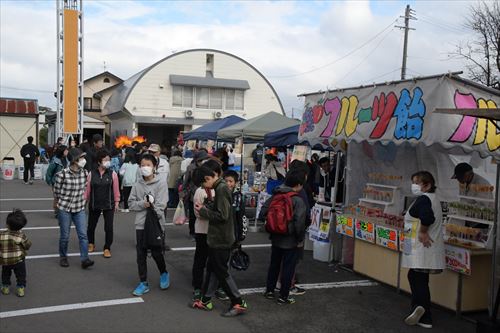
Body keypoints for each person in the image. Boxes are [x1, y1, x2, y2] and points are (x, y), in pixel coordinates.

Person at [191, 163, 248, 317]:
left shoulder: (221, 189)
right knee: (213, 269)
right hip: (218, 237)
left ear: (207, 178)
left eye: (204, 184)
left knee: (221, 271)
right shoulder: (220, 187)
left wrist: (203, 210)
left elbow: (222, 215)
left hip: (221, 238)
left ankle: (238, 302)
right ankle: (206, 300)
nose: (205, 187)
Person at [402, 171, 445, 329]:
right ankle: (421, 312)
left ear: (427, 185)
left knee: (416, 277)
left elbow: (427, 217)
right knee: (419, 278)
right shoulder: (432, 198)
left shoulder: (424, 199)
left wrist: (423, 231)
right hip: (423, 247)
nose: (414, 186)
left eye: (417, 183)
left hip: (420, 247)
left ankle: (422, 311)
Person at [259, 170, 307, 305]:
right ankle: (283, 296)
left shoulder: (275, 195)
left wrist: (272, 225)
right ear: (298, 185)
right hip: (290, 239)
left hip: (275, 237)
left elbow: (263, 212)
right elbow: (299, 222)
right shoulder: (298, 200)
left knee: (274, 264)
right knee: (288, 268)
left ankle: (269, 291)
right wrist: (299, 239)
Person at [128, 154, 170, 296]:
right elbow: (131, 203)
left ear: (155, 167)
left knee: (157, 252)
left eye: (148, 165)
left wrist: (151, 209)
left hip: (156, 224)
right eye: (142, 165)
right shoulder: (137, 184)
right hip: (140, 224)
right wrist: (143, 204)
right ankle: (143, 282)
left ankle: (164, 272)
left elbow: (162, 204)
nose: (145, 168)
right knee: (141, 254)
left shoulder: (161, 183)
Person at [53, 148, 94, 269]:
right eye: (81, 158)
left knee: (83, 235)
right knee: (65, 236)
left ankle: (85, 259)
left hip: (79, 208)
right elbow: (57, 192)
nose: (83, 160)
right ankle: (63, 256)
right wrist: (58, 205)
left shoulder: (85, 173)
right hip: (64, 208)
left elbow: (85, 189)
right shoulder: (62, 174)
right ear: (75, 160)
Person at [85, 149, 120, 259]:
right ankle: (91, 243)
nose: (108, 162)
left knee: (108, 227)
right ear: (99, 161)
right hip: (94, 204)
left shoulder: (113, 174)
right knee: (91, 226)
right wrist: (84, 201)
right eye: (105, 160)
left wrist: (117, 202)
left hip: (109, 204)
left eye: (109, 160)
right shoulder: (91, 173)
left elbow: (116, 190)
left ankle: (107, 248)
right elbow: (87, 190)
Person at [191, 168, 216, 301]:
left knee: (214, 261)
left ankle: (213, 286)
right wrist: (212, 214)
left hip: (215, 232)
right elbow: (197, 213)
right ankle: (197, 286)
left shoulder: (220, 190)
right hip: (202, 230)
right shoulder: (200, 191)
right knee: (200, 260)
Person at [0, 209, 31, 297]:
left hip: (5, 260)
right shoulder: (21, 236)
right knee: (21, 274)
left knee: (5, 273)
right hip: (18, 260)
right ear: (21, 227)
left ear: (7, 224)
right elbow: (27, 246)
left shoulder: (1, 235)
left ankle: (5, 287)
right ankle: (20, 288)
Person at [183, 150, 209, 238]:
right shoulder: (191, 167)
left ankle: (200, 232)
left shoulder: (207, 168)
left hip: (205, 194)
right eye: (202, 159)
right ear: (198, 160)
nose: (204, 161)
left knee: (203, 213)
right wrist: (183, 191)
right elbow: (186, 180)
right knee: (192, 215)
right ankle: (192, 232)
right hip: (193, 194)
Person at [223, 170, 247, 245]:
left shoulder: (238, 196)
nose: (228, 183)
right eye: (226, 181)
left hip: (234, 231)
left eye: (230, 181)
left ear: (236, 183)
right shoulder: (220, 194)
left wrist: (242, 234)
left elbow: (242, 216)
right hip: (221, 232)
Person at [45, 145, 69, 218]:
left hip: (66, 181)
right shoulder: (55, 160)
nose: (67, 151)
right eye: (66, 150)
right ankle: (57, 211)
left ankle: (63, 211)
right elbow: (49, 172)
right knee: (57, 197)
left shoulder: (66, 159)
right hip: (56, 182)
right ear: (62, 151)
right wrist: (50, 181)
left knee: (64, 197)